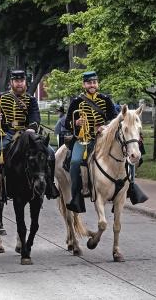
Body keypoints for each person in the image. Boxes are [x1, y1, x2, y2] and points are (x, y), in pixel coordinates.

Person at [0, 70, 58, 200]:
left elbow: (35, 117)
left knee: (50, 153)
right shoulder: (1, 98)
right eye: (16, 81)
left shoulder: (31, 100)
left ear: (25, 82)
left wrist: (31, 128)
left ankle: (50, 185)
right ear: (11, 82)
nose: (19, 84)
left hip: (27, 134)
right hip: (6, 133)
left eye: (21, 81)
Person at [65, 71, 117, 213]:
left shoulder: (105, 99)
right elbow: (67, 123)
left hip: (103, 138)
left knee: (123, 155)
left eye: (94, 82)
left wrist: (105, 126)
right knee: (75, 162)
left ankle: (128, 189)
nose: (92, 85)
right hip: (84, 139)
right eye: (89, 83)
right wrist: (75, 122)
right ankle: (76, 197)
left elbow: (114, 119)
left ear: (97, 83)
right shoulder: (76, 102)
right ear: (84, 85)